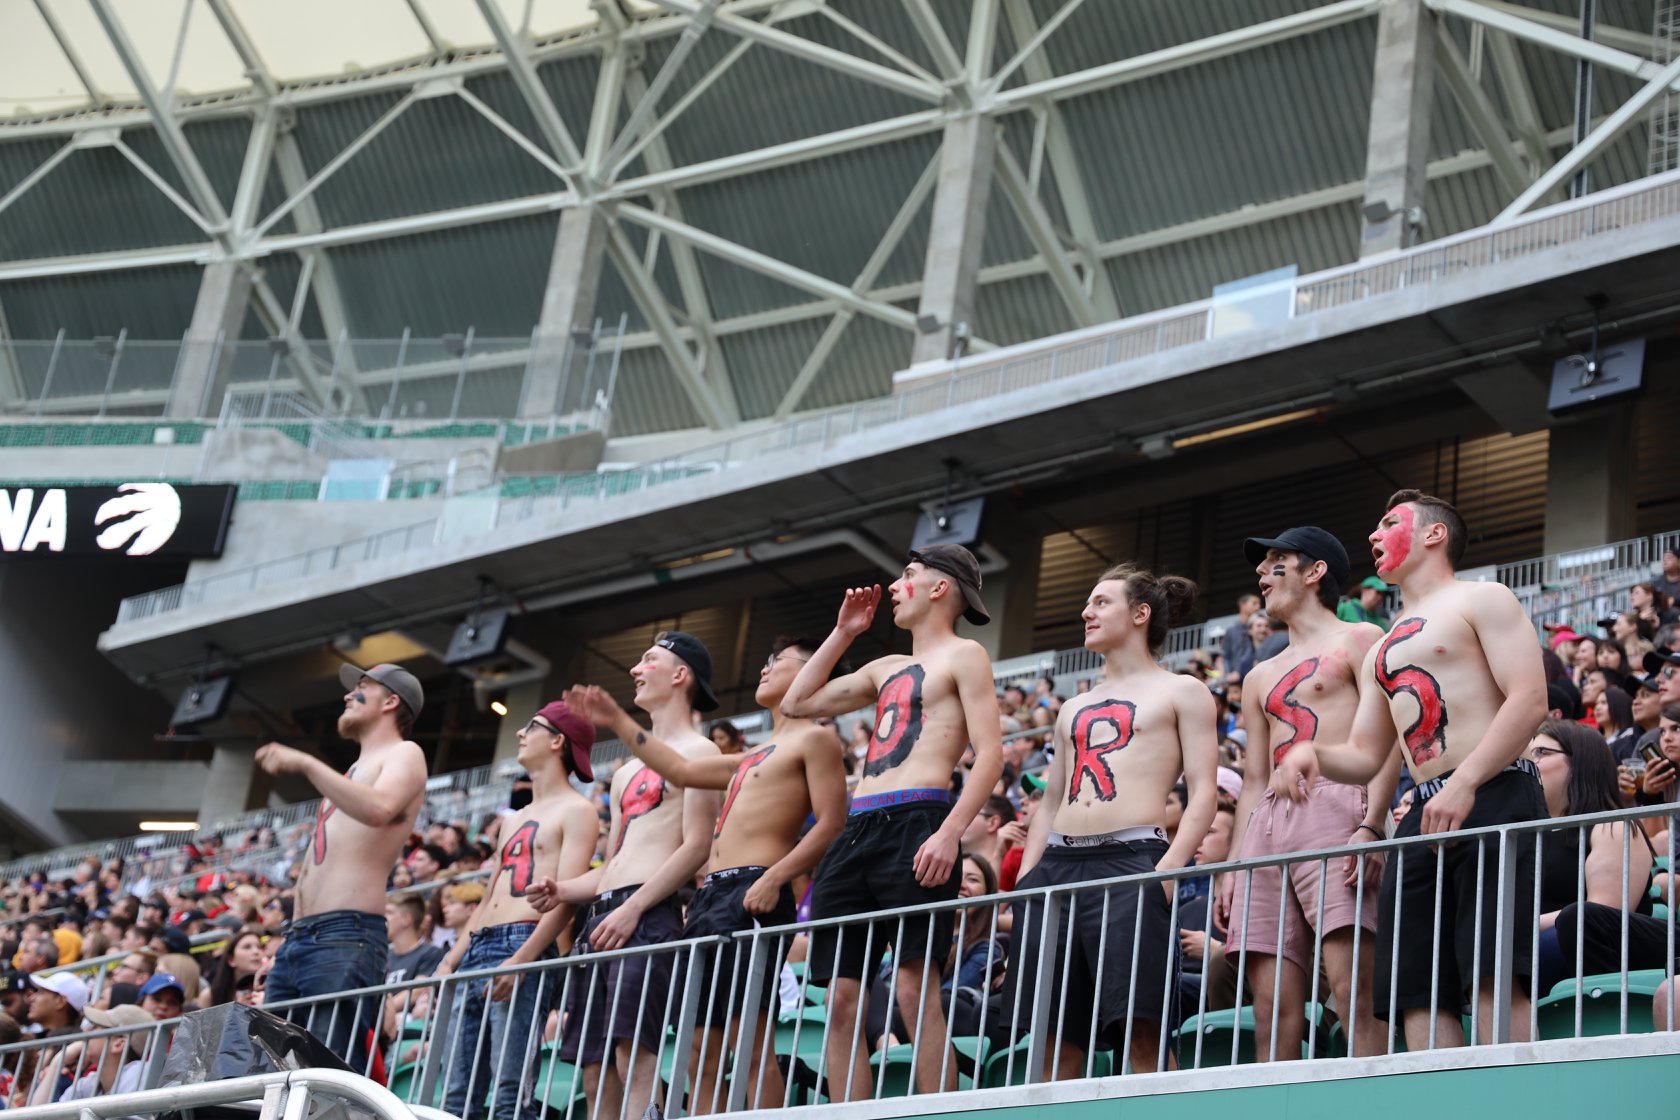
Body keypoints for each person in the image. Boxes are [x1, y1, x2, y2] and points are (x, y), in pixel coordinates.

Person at [1275, 490, 1548, 1049]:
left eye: (1388, 523)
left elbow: (1530, 699)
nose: (1373, 536)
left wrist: (1467, 781)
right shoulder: (1381, 648)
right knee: (1416, 988)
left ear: (1433, 534)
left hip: (1496, 788)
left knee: (1492, 969)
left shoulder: (1484, 598)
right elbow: (1366, 755)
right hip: (1424, 809)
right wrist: (1312, 752)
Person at [564, 634, 848, 1114]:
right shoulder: (754, 754)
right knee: (698, 1049)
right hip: (710, 898)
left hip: (753, 887)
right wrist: (616, 720)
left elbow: (833, 822)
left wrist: (775, 877)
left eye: (779, 662)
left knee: (749, 1044)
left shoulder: (817, 738)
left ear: (814, 672)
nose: (765, 668)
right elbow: (680, 768)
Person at [780, 545, 1004, 1100]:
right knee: (838, 998)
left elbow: (992, 754)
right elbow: (794, 702)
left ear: (940, 588)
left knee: (913, 989)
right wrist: (843, 634)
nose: (896, 586)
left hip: (919, 817)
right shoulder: (882, 667)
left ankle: (936, 1110)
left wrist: (950, 832)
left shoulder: (965, 654)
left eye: (908, 575)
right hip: (859, 827)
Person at [1006, 564, 1218, 1078]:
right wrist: (1028, 877)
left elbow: (1204, 792)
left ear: (1140, 614)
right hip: (1056, 866)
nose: (1086, 611)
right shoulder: (1071, 706)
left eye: (1102, 602)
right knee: (1053, 1037)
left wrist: (1165, 873)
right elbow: (1050, 798)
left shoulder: (1183, 690)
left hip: (1132, 861)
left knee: (1140, 1027)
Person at [527, 633, 721, 1120]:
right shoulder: (629, 768)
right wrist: (563, 890)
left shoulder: (701, 752)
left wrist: (634, 908)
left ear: (680, 676)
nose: (636, 669)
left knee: (632, 1053)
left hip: (647, 912)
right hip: (605, 916)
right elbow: (614, 863)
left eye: (648, 660)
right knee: (592, 1069)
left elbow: (696, 847)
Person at [1220, 527, 1397, 1061]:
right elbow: (1252, 779)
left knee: (1351, 990)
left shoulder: (1362, 638)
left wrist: (1373, 824)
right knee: (1270, 1006)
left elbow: (1389, 744)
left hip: (1340, 800)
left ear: (1315, 570)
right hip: (1269, 820)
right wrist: (1232, 863)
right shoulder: (1257, 675)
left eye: (1277, 561)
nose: (1261, 573)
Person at [255, 662, 429, 1068]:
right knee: (272, 1073)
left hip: (344, 935)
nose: (348, 695)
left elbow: (380, 808)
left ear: (391, 701)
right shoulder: (353, 771)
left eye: (362, 687)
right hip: (300, 938)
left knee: (324, 1075)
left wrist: (307, 763)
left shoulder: (406, 752)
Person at [436, 701, 600, 1120]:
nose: (521, 734)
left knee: (510, 1093)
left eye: (532, 726)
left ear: (558, 741)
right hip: (478, 947)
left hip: (522, 941)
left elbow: (566, 898)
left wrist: (520, 961)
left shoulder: (578, 810)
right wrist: (451, 960)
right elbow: (491, 895)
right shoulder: (514, 819)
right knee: (456, 1094)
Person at [1526, 721, 1652, 994]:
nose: (1529, 763)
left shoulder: (1613, 826)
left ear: (1580, 762)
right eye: (1527, 755)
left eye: (1541, 753)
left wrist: (1519, 928)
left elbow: (1601, 913)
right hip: (1531, 945)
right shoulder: (1526, 835)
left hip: (1588, 955)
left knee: (1568, 925)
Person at [1223, 593, 1263, 681]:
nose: (1258, 607)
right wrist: (1229, 673)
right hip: (1235, 678)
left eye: (1259, 604)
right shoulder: (1231, 631)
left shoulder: (1261, 628)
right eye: (1254, 603)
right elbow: (1226, 657)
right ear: (1243, 605)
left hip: (1256, 674)